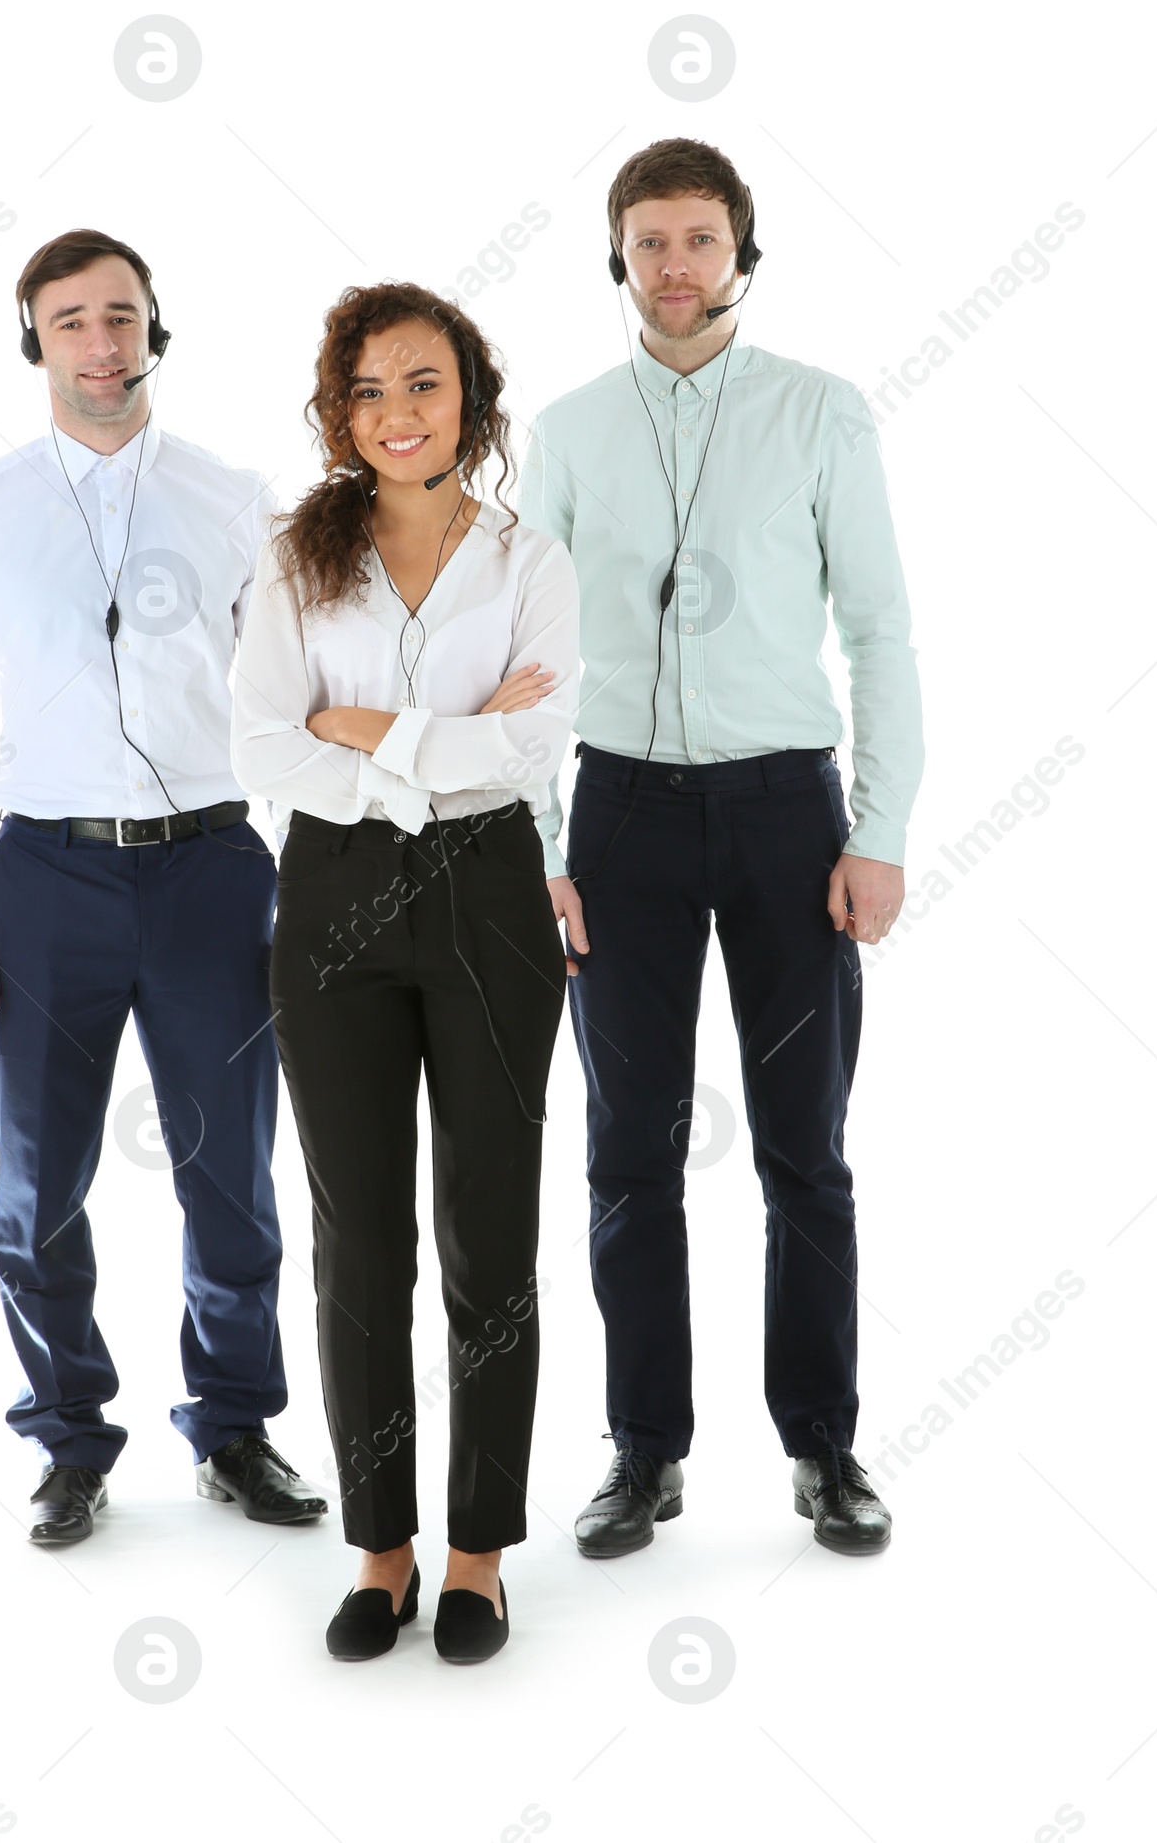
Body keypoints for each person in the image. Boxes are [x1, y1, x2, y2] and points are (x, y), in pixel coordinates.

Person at [522, 138, 923, 1559]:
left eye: (700, 239)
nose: (675, 266)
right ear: (618, 259)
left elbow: (878, 630)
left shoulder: (823, 415)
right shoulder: (567, 429)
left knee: (803, 1148)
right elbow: (530, 659)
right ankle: (644, 1449)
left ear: (744, 251)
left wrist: (876, 832)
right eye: (650, 242)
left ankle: (824, 1445)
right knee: (627, 1149)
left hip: (782, 813)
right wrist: (540, 842)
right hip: (617, 813)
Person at [0, 227, 326, 1546]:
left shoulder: (236, 497)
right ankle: (71, 1433)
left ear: (157, 329)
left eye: (123, 316)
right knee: (38, 1178)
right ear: (36, 339)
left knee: (234, 1169)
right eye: (73, 319)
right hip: (48, 876)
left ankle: (237, 1423)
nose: (102, 341)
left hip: (210, 866)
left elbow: (299, 697)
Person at [231, 284, 579, 1661]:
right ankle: (381, 1546)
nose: (397, 413)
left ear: (470, 400)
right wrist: (438, 741)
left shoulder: (530, 558)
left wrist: (368, 729)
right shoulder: (295, 558)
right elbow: (264, 748)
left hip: (494, 892)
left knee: (491, 1236)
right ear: (339, 411)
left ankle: (479, 1551)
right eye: (370, 390)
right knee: (358, 1234)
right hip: (335, 904)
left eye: (423, 384)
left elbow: (539, 744)